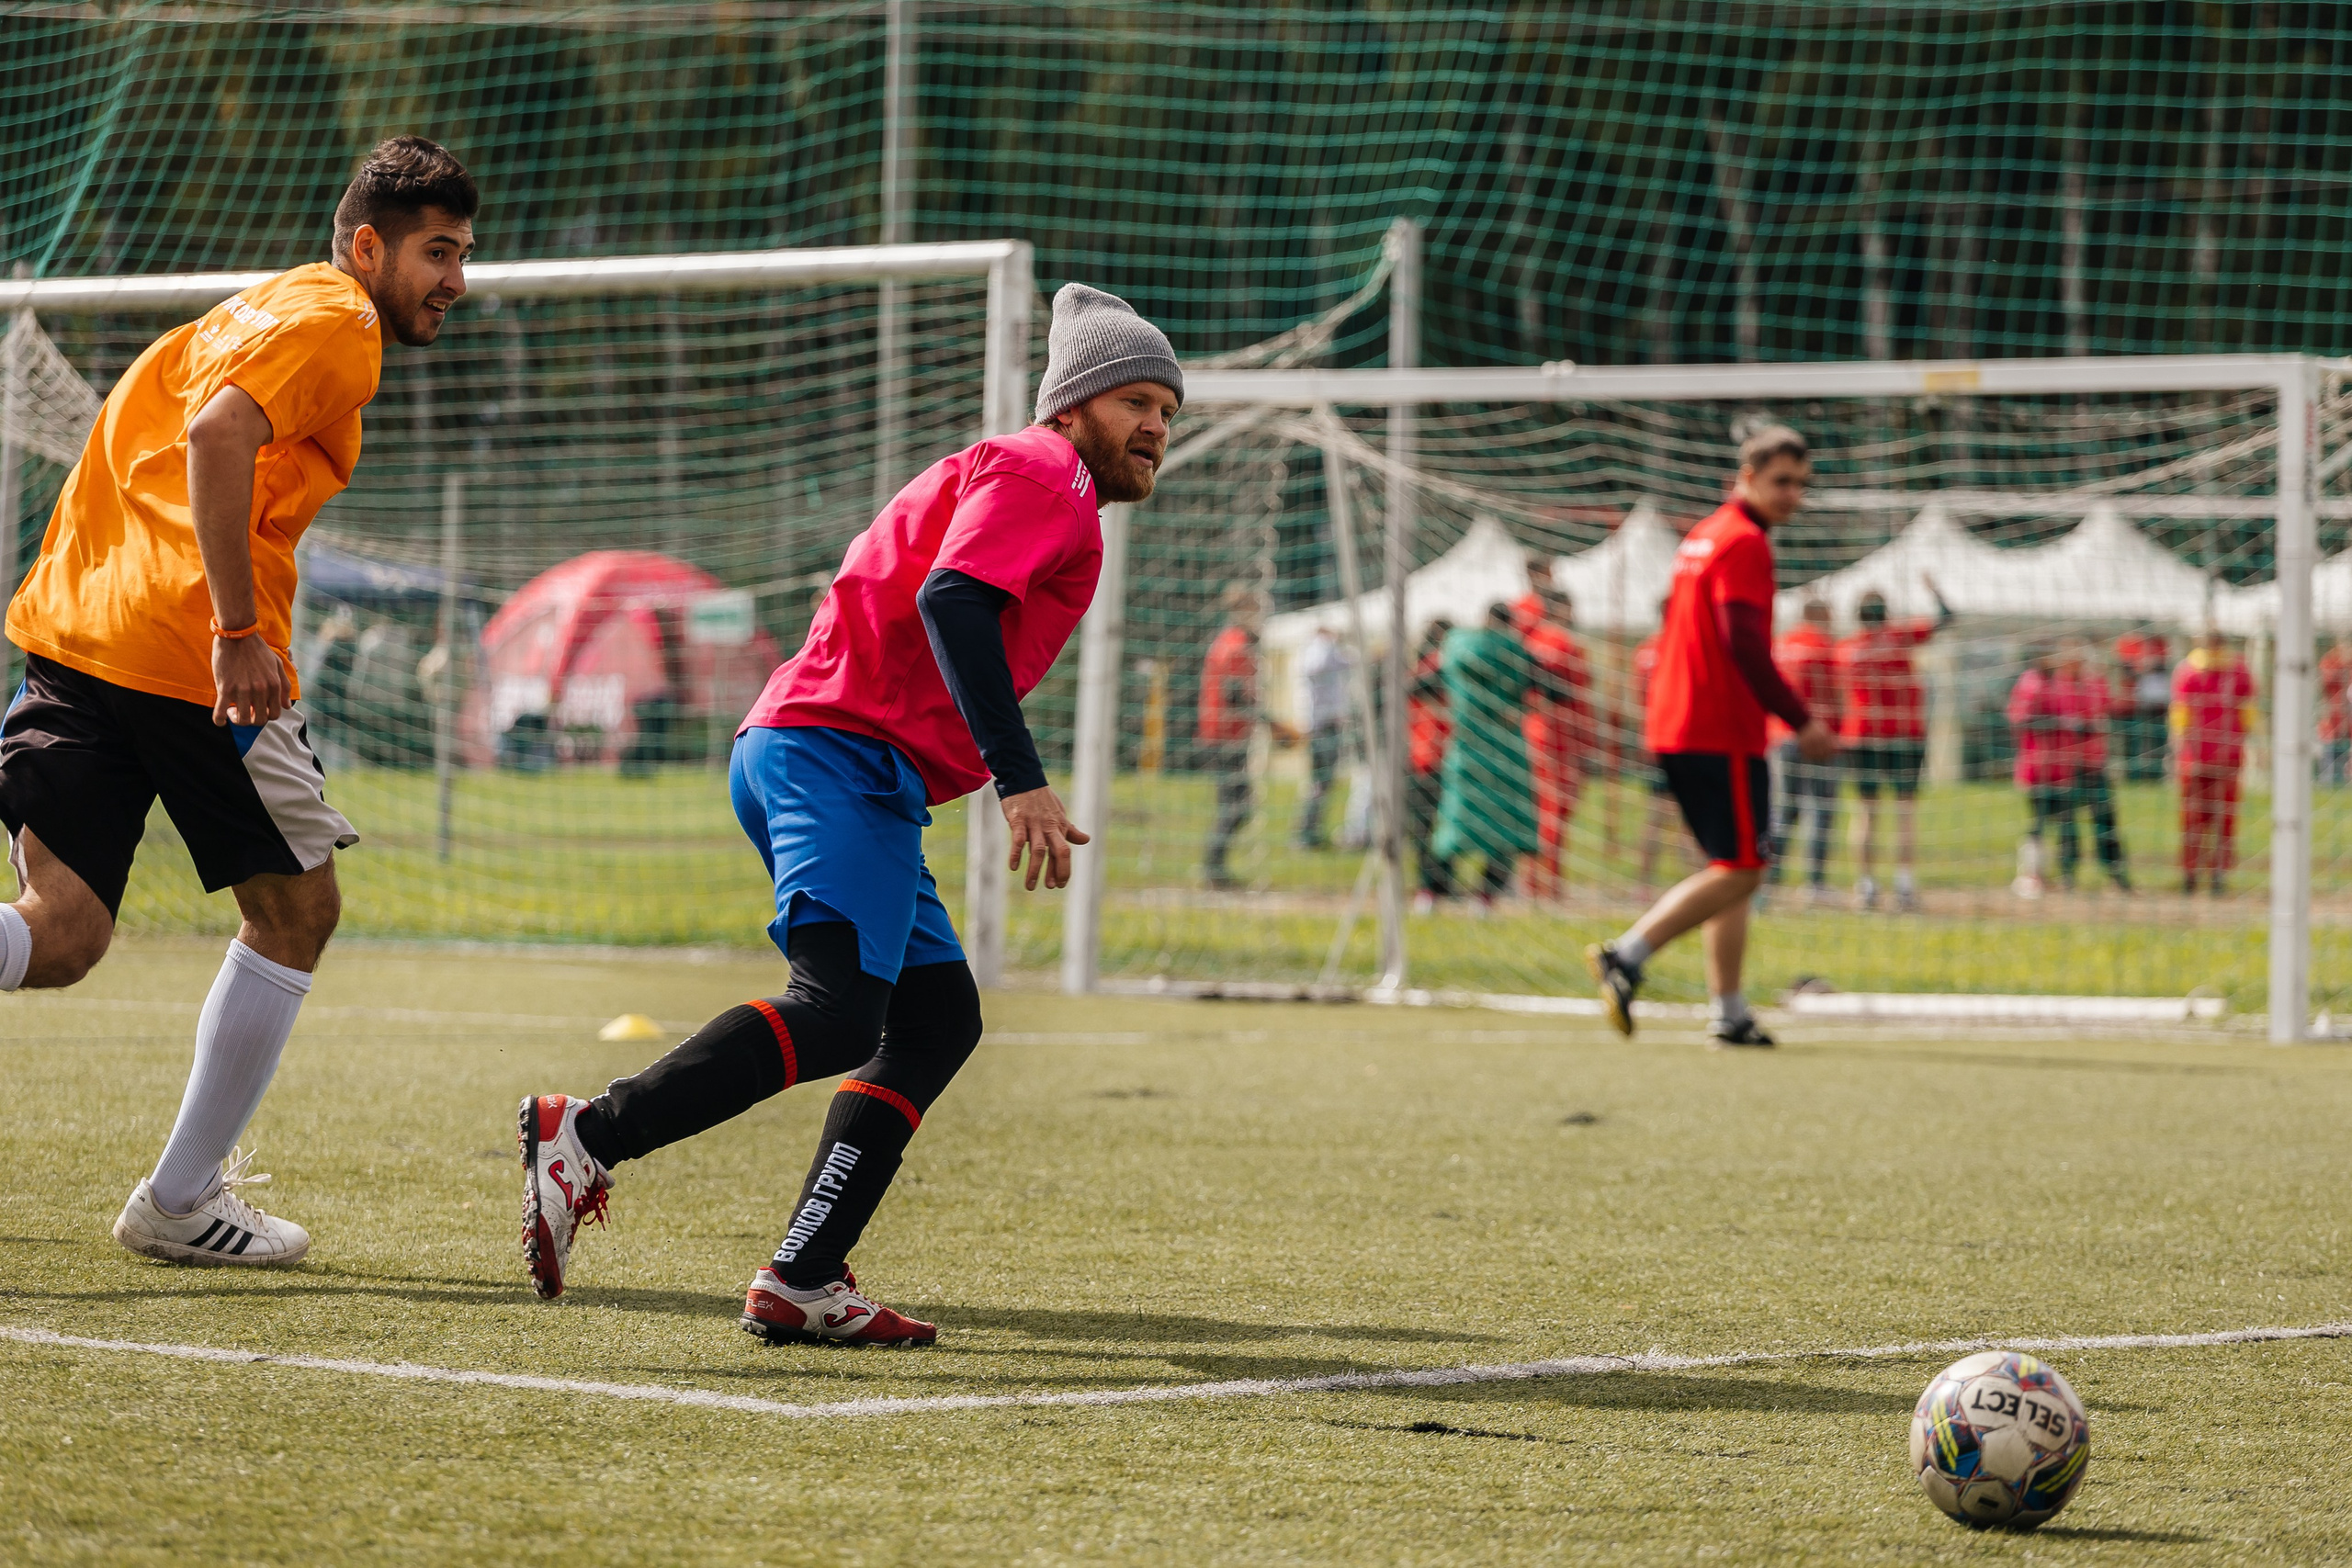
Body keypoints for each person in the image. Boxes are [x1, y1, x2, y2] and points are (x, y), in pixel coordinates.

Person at [514, 284, 1182, 1345]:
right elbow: (953, 600)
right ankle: (590, 1132)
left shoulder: (1035, 479)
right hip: (836, 756)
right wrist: (1020, 779)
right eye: (1135, 400)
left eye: (1166, 410)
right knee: (836, 1012)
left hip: (843, 764)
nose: (1154, 426)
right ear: (1073, 405)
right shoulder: (1043, 468)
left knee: (936, 1019)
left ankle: (804, 1276)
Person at [0, 137, 477, 1266]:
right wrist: (234, 634)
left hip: (78, 630)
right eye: (437, 252)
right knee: (296, 913)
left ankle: (181, 1196)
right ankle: (179, 1200)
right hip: (186, 658)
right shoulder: (342, 328)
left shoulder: (248, 312)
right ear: (369, 247)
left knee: (60, 935)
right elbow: (219, 438)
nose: (456, 279)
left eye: (462, 253)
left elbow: (156, 439)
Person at [1587, 426, 1836, 1047]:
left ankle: (1728, 1010)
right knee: (1746, 869)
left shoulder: (1704, 535)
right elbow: (1743, 642)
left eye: (1802, 484)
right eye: (1782, 481)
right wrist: (1801, 719)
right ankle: (1628, 953)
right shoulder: (1745, 541)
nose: (1793, 495)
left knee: (1730, 868)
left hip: (1679, 723)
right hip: (1717, 727)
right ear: (1745, 475)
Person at [1838, 579, 1952, 912]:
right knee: (1905, 813)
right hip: (1904, 734)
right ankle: (1904, 887)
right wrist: (1932, 588)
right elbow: (1946, 617)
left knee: (1866, 815)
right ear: (1885, 615)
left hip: (1861, 735)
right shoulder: (1901, 636)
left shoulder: (1846, 649)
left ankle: (1866, 887)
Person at [1429, 602, 1540, 911]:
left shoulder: (1455, 649)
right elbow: (1555, 689)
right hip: (1507, 753)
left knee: (1454, 819)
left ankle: (1431, 893)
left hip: (1465, 750)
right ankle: (1486, 896)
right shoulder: (1520, 653)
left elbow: (1420, 685)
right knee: (1505, 823)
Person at [2007, 636, 2130, 897]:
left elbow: (2113, 708)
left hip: (2092, 763)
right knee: (2056, 823)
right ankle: (2055, 875)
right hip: (2055, 767)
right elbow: (2023, 719)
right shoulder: (2046, 683)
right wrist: (2066, 724)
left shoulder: (2095, 682)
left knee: (2104, 821)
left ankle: (2116, 875)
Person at [1514, 563, 1590, 900]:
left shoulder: (1532, 641)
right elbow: (1575, 688)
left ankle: (1533, 879)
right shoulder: (1562, 641)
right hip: (1560, 736)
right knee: (1555, 811)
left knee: (1541, 808)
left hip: (1537, 731)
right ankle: (1548, 884)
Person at [2171, 628, 2256, 895]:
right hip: (2196, 758)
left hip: (2226, 758)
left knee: (2223, 818)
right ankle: (2192, 874)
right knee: (2194, 818)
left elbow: (2248, 713)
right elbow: (2180, 715)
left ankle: (2216, 874)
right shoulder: (2189, 672)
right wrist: (2179, 749)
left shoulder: (2238, 672)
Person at [1767, 596, 1841, 900]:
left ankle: (1769, 884)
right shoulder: (1824, 647)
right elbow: (1836, 693)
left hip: (1782, 739)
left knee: (1784, 811)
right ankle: (1815, 884)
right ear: (1820, 615)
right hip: (1817, 736)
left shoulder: (1780, 645)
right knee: (1820, 810)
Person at [1199, 583, 1266, 890]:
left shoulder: (1227, 642)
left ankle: (1215, 868)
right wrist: (1273, 724)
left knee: (1236, 805)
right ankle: (1213, 869)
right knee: (1236, 806)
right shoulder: (1236, 646)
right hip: (1225, 737)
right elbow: (1235, 695)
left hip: (1224, 735)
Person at [1406, 616, 1455, 911]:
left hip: (1430, 758)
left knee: (1432, 828)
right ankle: (1432, 885)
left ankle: (1437, 885)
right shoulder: (1435, 665)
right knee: (1432, 827)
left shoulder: (1431, 666)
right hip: (1431, 758)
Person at [1633, 594, 1680, 889]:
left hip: (1654, 738)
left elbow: (1638, 698)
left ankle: (1644, 882)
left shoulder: (1644, 650)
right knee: (1685, 814)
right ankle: (1697, 879)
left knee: (1656, 813)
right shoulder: (1679, 646)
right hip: (1679, 739)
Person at [1293, 624, 1352, 849]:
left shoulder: (1327, 651)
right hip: (1320, 726)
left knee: (1324, 783)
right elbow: (1317, 665)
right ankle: (1305, 833)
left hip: (1328, 725)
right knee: (1318, 782)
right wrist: (1328, 641)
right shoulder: (1318, 650)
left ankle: (1311, 830)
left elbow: (1348, 660)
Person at [2320, 635, 2352, 786]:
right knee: (2331, 746)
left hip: (2348, 716)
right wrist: (2343, 666)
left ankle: (2346, 779)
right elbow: (2327, 681)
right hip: (2334, 713)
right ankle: (2329, 779)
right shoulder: (2330, 662)